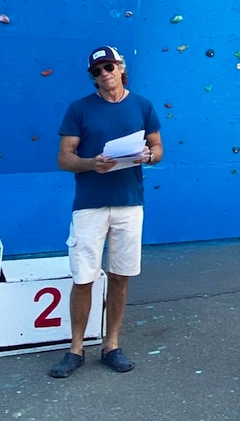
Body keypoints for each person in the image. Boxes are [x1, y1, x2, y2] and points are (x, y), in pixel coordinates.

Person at [50, 45, 162, 378]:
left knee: (120, 275)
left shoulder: (142, 106)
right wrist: (90, 163)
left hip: (129, 201)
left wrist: (149, 156)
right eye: (97, 71)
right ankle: (75, 348)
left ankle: (111, 345)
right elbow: (63, 158)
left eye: (109, 67)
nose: (104, 74)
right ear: (93, 77)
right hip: (89, 204)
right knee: (83, 277)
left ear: (120, 68)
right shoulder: (79, 109)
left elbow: (158, 147)